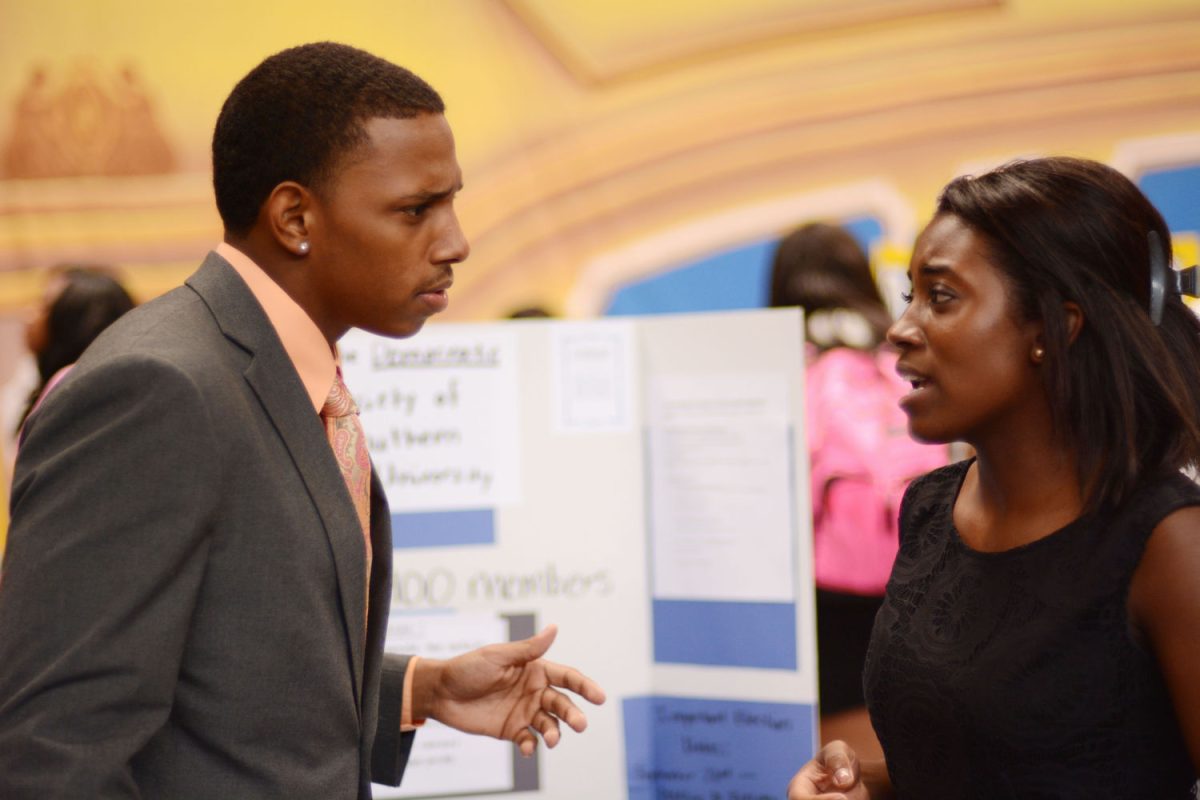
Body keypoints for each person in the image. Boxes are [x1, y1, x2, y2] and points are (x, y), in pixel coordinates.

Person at [0, 42, 604, 799]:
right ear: (294, 218)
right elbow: (55, 750)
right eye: (417, 209)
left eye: (451, 202)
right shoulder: (156, 390)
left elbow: (227, 663)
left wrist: (420, 690)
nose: (456, 241)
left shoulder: (274, 371)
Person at [787, 156, 1200, 799]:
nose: (899, 331)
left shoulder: (1167, 544)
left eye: (941, 298)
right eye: (909, 297)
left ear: (1053, 327)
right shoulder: (930, 508)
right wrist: (873, 784)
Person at [769, 223, 946, 759]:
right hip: (921, 573)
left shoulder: (782, 359)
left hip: (821, 593)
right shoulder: (903, 347)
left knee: (832, 757)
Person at [16, 265, 136, 434]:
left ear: (76, 322)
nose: (29, 314)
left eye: (46, 306)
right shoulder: (31, 372)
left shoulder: (76, 385)